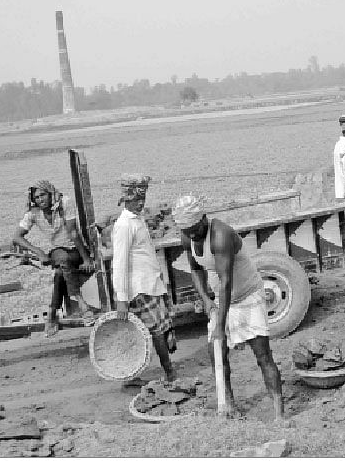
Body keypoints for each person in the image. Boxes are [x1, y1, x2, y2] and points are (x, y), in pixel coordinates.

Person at [172, 195, 284, 421]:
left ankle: (279, 415)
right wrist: (205, 299)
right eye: (187, 230)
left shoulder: (220, 235)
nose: (192, 234)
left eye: (195, 228)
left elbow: (226, 282)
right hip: (221, 301)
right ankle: (229, 406)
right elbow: (195, 269)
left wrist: (220, 326)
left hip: (247, 296)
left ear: (203, 218)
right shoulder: (187, 235)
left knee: (262, 355)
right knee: (217, 356)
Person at [111, 174, 176, 383]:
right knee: (155, 331)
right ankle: (169, 372)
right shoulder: (124, 225)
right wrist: (121, 299)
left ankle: (148, 373)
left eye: (143, 199)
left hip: (151, 282)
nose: (141, 203)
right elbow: (119, 263)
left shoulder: (137, 219)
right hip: (139, 286)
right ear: (126, 199)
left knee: (160, 329)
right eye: (137, 199)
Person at [13, 180, 95, 337]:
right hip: (58, 252)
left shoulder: (64, 203)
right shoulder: (33, 213)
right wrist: (39, 252)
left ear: (50, 193)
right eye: (36, 197)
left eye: (43, 195)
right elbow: (17, 237)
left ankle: (52, 313)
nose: (40, 200)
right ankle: (82, 305)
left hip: (76, 250)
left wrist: (86, 259)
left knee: (59, 273)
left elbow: (73, 233)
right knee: (61, 258)